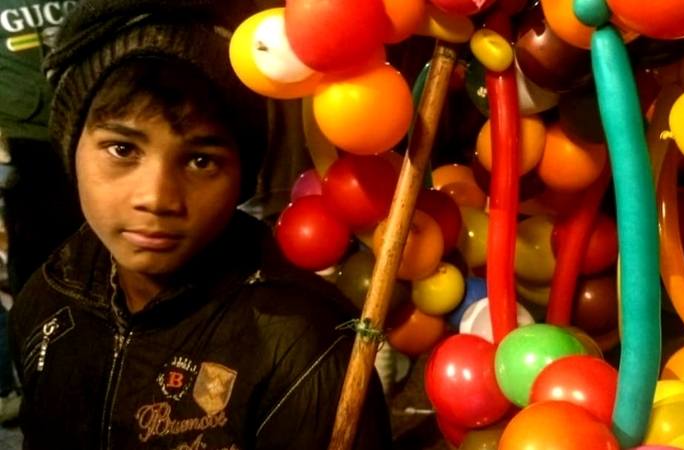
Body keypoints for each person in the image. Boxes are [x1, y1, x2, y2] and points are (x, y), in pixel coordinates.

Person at [8, 0, 392, 448]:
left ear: (241, 174)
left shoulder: (301, 346)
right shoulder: (51, 294)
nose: (156, 198)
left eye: (200, 160)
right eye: (122, 150)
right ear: (71, 147)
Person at [0, 0, 83, 424]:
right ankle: (39, 383)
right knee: (34, 270)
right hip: (24, 141)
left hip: (81, 121)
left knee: (91, 256)